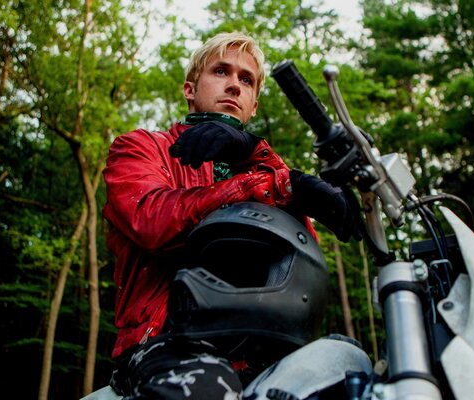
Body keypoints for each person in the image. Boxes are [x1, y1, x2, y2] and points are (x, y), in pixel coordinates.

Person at [102, 31, 360, 399]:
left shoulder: (267, 171)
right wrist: (270, 186)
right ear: (190, 89)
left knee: (348, 366)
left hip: (264, 348)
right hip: (171, 340)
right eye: (221, 71)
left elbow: (296, 260)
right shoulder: (142, 147)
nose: (234, 86)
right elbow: (151, 219)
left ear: (253, 104)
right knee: (208, 384)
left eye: (246, 79)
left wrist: (256, 157)